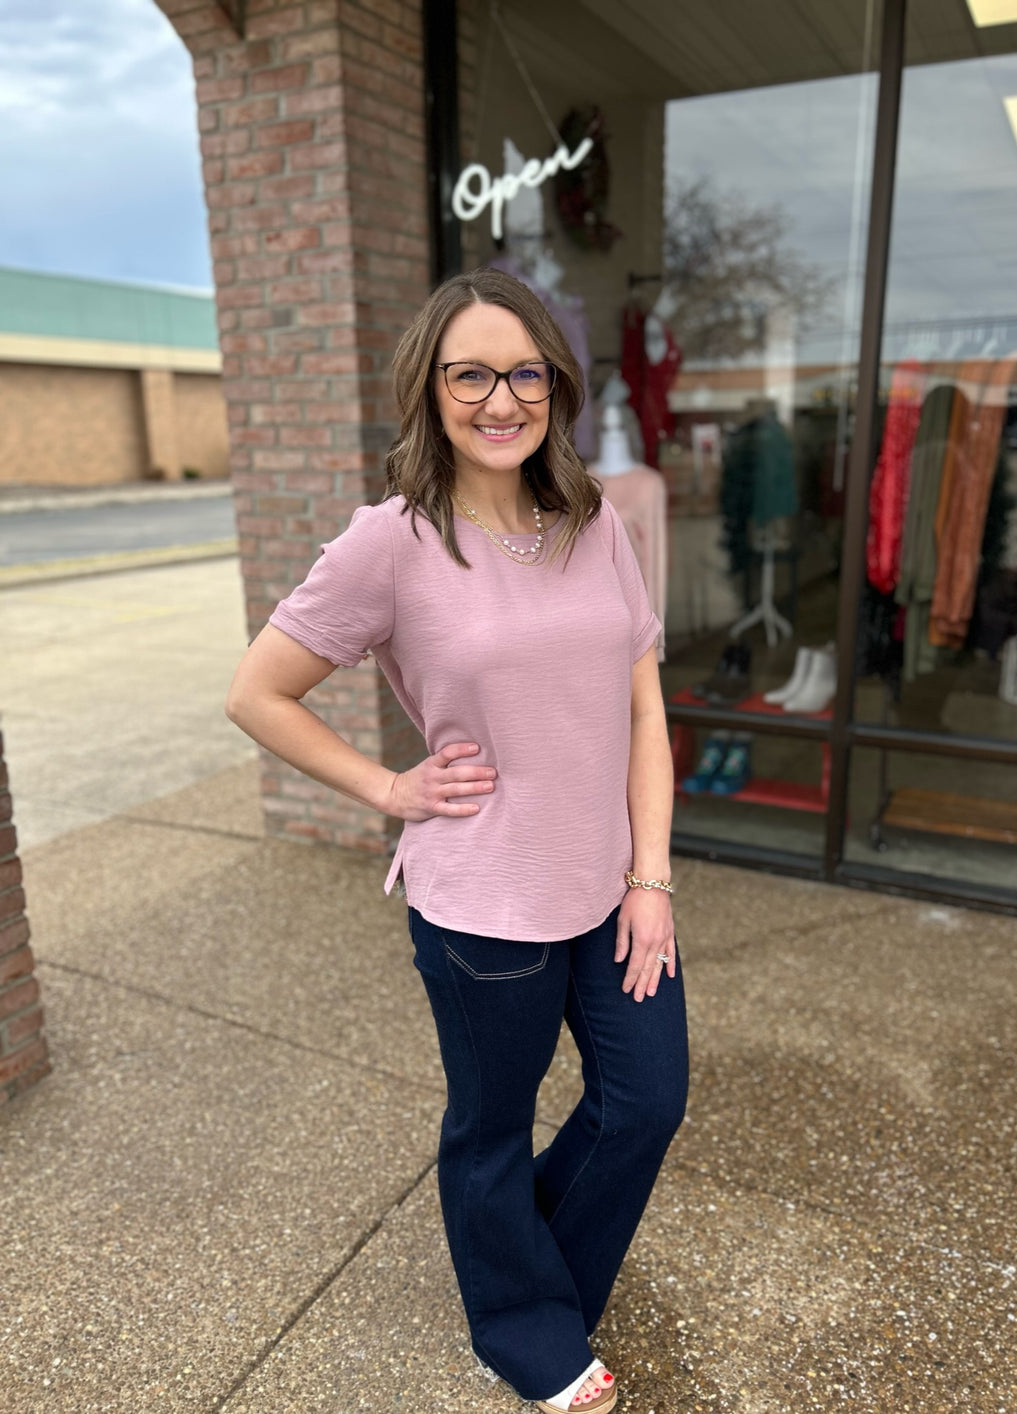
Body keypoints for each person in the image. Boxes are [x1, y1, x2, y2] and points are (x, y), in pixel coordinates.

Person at [225, 268, 689, 1414]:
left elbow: (642, 712)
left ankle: (520, 1264)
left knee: (645, 1099)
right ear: (430, 391)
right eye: (470, 372)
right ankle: (522, 1323)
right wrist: (389, 783)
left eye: (523, 371)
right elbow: (258, 691)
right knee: (489, 1123)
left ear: (555, 386)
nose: (500, 397)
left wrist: (652, 878)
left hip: (609, 885)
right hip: (481, 901)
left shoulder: (597, 527)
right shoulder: (392, 542)